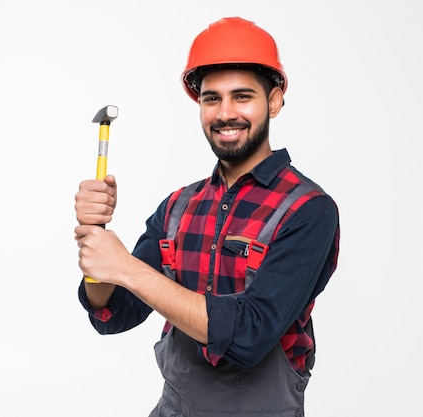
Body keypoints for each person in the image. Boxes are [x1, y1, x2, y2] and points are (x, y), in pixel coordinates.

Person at [74, 16, 340, 417]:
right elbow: (114, 313)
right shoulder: (178, 207)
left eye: (242, 96)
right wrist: (96, 249)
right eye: (211, 98)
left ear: (274, 101)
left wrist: (125, 267)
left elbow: (249, 335)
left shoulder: (308, 210)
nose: (224, 113)